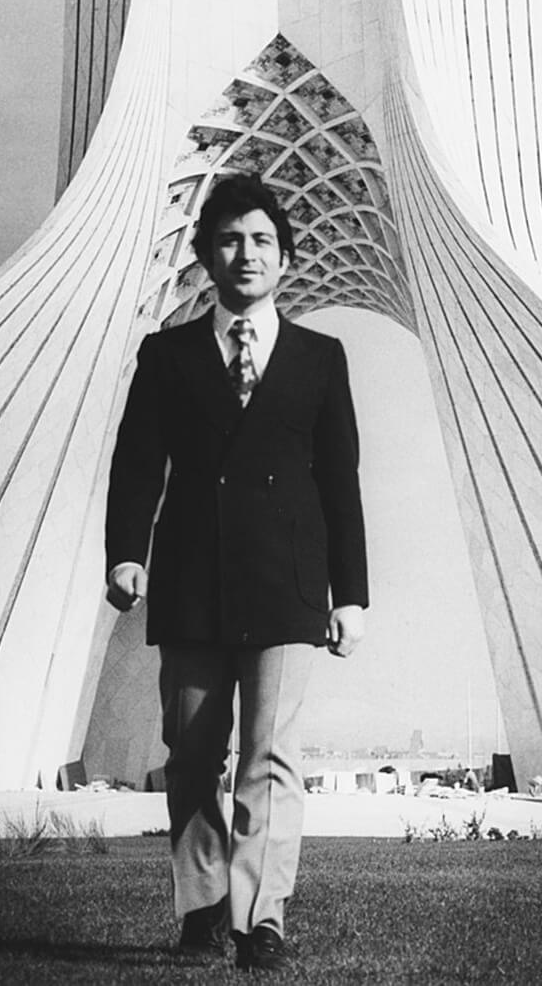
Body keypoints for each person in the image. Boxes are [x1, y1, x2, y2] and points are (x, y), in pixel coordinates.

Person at [105, 172, 368, 972]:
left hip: (285, 587)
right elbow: (137, 464)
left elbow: (339, 480)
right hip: (189, 581)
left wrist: (351, 596)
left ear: (284, 258)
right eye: (229, 239)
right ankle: (202, 903)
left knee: (269, 758)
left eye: (260, 239)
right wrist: (126, 552)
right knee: (190, 754)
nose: (245, 253)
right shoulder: (169, 354)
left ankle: (262, 917)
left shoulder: (321, 359)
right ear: (206, 256)